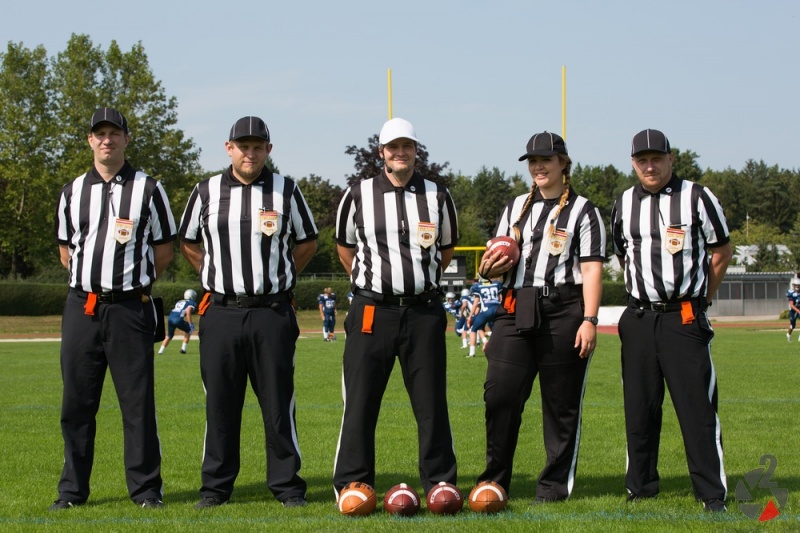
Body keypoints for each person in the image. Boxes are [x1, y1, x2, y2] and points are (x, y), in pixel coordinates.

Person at [179, 116, 318, 509]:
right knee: (220, 402)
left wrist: (278, 273)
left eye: (258, 146)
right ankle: (216, 487)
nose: (250, 153)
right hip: (221, 312)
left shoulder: (286, 190)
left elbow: (307, 242)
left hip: (271, 312)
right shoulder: (205, 191)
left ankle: (287, 485)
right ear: (229, 148)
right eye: (243, 146)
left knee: (278, 402)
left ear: (268, 151)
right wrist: (216, 274)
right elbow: (188, 242)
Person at [52, 107, 176, 510]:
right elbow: (66, 251)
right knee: (76, 404)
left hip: (129, 309)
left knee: (137, 404)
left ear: (126, 138)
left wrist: (127, 285)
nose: (107, 140)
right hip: (82, 309)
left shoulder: (149, 189)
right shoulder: (72, 191)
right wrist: (94, 282)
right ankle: (72, 491)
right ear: (90, 140)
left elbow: (163, 251)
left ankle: (145, 491)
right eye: (99, 134)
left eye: (114, 133)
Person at [333, 117, 459, 500]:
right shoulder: (357, 194)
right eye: (393, 147)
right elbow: (345, 248)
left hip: (423, 311)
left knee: (431, 401)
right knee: (360, 400)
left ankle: (440, 481)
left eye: (407, 146)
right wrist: (377, 283)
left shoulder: (438, 195)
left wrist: (415, 278)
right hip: (373, 310)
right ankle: (353, 481)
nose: (400, 153)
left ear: (415, 151)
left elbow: (447, 248)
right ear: (381, 152)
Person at [476, 131, 605, 502]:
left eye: (545, 160)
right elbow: (494, 263)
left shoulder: (584, 210)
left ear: (563, 163)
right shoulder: (515, 207)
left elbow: (593, 269)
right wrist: (488, 268)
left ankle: (553, 486)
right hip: (515, 306)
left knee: (560, 404)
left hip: (564, 309)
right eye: (533, 161)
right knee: (500, 395)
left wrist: (590, 319)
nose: (538, 166)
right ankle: (494, 480)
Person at [610, 129, 733, 512]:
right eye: (642, 160)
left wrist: (701, 300)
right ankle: (640, 487)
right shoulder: (623, 202)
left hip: (683, 316)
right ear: (633, 163)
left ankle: (711, 493)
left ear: (671, 158)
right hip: (639, 317)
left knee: (696, 408)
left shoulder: (697, 196)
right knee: (640, 407)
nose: (650, 166)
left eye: (656, 158)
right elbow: (622, 251)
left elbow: (722, 252)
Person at [467, 277, 503, 357]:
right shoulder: (497, 284)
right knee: (499, 330)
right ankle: (498, 349)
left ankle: (472, 353)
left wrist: (470, 316)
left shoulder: (477, 286)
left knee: (473, 329)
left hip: (486, 310)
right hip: (498, 309)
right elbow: (501, 298)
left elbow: (476, 303)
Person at [158, 289, 198, 354]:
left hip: (170, 317)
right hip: (177, 319)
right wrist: (190, 324)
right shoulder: (191, 303)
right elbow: (188, 312)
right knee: (189, 330)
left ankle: (161, 351)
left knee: (169, 335)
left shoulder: (179, 301)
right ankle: (183, 349)